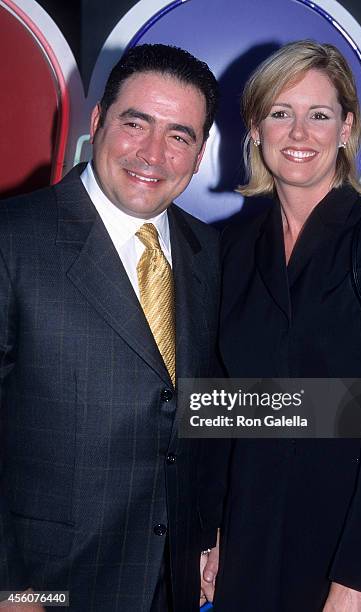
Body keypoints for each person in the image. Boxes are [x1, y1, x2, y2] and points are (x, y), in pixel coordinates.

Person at [201, 40, 361, 611]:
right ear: (254, 128)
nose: (299, 133)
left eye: (319, 115)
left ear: (347, 129)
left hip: (353, 551)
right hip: (252, 547)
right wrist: (215, 529)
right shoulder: (232, 248)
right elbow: (223, 405)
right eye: (281, 113)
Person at [0, 43, 220, 611]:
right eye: (135, 123)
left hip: (173, 586)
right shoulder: (12, 238)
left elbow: (205, 408)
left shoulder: (210, 253)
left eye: (180, 135)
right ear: (97, 121)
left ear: (200, 155)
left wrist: (211, 529)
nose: (153, 153)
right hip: (48, 589)